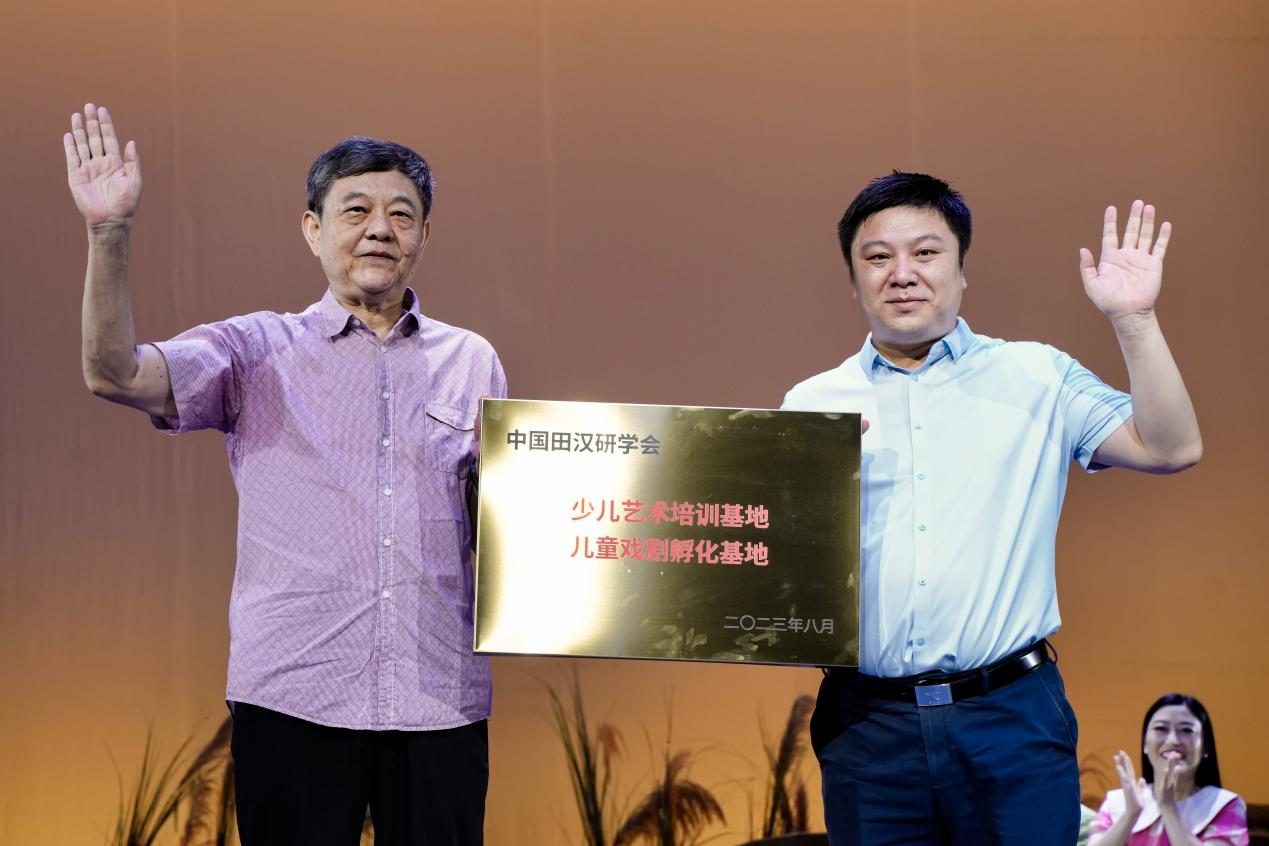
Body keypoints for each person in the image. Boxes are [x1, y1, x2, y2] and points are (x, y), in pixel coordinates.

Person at [65, 103, 505, 845]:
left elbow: (508, 521)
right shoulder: (255, 350)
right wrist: (109, 234)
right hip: (296, 696)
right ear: (312, 228)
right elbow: (115, 373)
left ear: (424, 236)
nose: (379, 229)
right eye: (355, 210)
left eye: (402, 215)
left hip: (438, 699)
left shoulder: (472, 361)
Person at [780, 172, 1202, 845]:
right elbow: (780, 564)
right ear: (853, 279)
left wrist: (1133, 320)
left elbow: (1170, 447)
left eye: (925, 252)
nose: (901, 273)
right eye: (877, 256)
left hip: (1010, 717)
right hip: (868, 728)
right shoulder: (812, 404)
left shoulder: (1036, 374)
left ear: (960, 269)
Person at [1089, 693, 1248, 845]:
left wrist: (1169, 808)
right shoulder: (1117, 803)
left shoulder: (1224, 806)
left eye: (1187, 730)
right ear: (1145, 744)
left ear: (1205, 747)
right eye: (1161, 728)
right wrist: (1130, 815)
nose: (1173, 740)